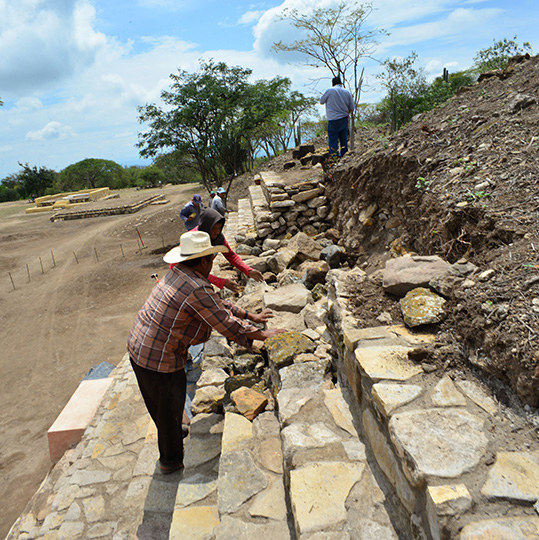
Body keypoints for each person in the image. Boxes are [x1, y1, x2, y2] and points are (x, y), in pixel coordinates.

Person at [127, 230, 285, 474]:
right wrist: (262, 334)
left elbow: (216, 303)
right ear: (202, 260)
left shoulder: (180, 273)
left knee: (159, 403)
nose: (212, 263)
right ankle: (170, 462)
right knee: (169, 403)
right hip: (159, 357)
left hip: (139, 346)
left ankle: (171, 430)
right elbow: (224, 321)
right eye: (210, 259)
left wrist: (249, 315)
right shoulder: (195, 287)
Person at [179, 207, 264, 293]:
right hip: (183, 277)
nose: (217, 232)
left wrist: (248, 270)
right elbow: (194, 271)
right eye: (214, 228)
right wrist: (221, 282)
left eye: (219, 228)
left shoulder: (218, 239)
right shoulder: (192, 240)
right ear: (206, 227)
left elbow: (230, 255)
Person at [320, 76, 355, 157]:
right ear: (341, 83)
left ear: (333, 84)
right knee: (344, 140)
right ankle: (344, 158)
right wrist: (346, 114)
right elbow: (352, 108)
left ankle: (335, 158)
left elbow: (321, 101)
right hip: (344, 119)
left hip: (333, 120)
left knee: (333, 141)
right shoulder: (347, 92)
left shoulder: (330, 91)